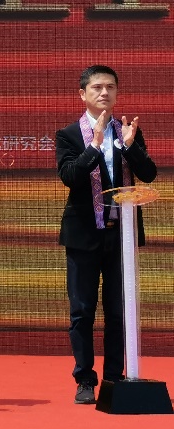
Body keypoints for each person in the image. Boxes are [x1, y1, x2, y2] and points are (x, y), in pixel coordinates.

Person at [55, 65, 157, 405]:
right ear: (82, 94)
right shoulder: (69, 134)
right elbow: (70, 176)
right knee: (82, 310)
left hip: (122, 235)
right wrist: (95, 146)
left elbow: (149, 175)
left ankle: (114, 378)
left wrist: (129, 147)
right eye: (97, 87)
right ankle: (85, 379)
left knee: (118, 310)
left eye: (110, 87)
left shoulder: (128, 130)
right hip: (84, 234)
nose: (104, 93)